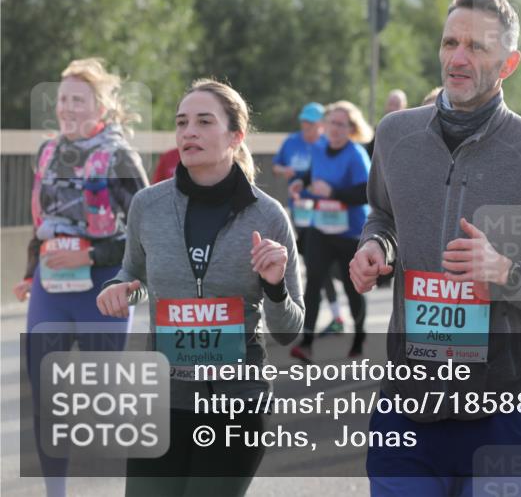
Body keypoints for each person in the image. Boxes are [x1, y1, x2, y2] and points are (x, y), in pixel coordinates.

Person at [349, 0, 521, 496]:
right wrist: (377, 249)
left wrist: (505, 272)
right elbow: (383, 215)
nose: (458, 58)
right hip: (408, 399)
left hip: (503, 407)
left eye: (477, 47)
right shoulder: (395, 135)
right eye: (450, 42)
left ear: (509, 63)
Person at [96, 79, 304, 497]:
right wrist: (120, 290)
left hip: (236, 403)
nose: (189, 131)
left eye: (204, 122)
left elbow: (289, 330)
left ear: (235, 136)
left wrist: (276, 287)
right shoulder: (147, 206)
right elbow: (135, 279)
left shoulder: (267, 216)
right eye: (182, 122)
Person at [14, 58, 148, 497]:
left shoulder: (119, 155)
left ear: (102, 106)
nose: (67, 107)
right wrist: (33, 271)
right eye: (62, 99)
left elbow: (145, 234)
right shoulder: (48, 151)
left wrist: (91, 253)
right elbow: (43, 220)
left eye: (78, 99)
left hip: (105, 286)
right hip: (52, 290)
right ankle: (57, 491)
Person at [289, 101, 372, 361]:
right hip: (322, 228)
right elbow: (311, 173)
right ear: (324, 126)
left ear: (351, 128)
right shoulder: (318, 148)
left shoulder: (356, 154)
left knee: (351, 289)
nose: (335, 129)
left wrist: (334, 193)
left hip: (350, 233)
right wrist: (299, 183)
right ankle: (306, 342)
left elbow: (366, 192)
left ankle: (359, 335)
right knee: (313, 282)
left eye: (341, 124)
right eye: (331, 123)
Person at [272, 102, 344, 332]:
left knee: (318, 262)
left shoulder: (327, 146)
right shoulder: (292, 142)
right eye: (304, 122)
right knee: (311, 261)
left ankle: (333, 313)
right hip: (299, 210)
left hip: (323, 212)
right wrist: (288, 172)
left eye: (310, 123)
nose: (306, 127)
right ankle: (333, 313)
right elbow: (276, 166)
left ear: (321, 125)